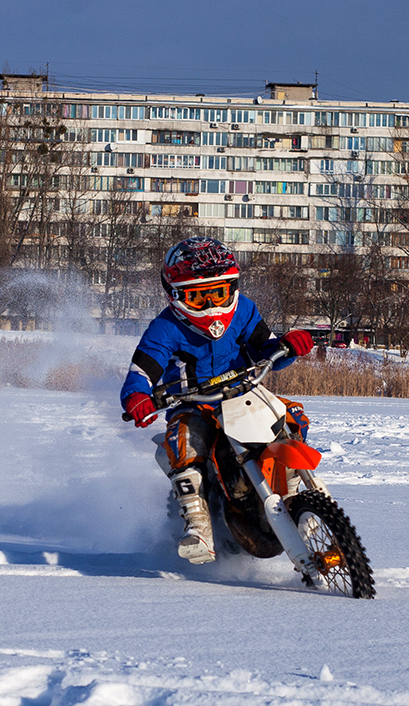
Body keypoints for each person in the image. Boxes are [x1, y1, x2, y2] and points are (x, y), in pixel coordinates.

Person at [120, 237, 314, 564]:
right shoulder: (164, 328)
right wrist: (138, 396)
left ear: (233, 287)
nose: (211, 306)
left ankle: (296, 497)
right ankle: (198, 526)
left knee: (292, 415)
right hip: (193, 404)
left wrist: (289, 345)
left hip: (246, 394)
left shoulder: (243, 311)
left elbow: (267, 351)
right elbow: (142, 370)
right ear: (176, 295)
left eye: (218, 292)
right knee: (185, 439)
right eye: (198, 297)